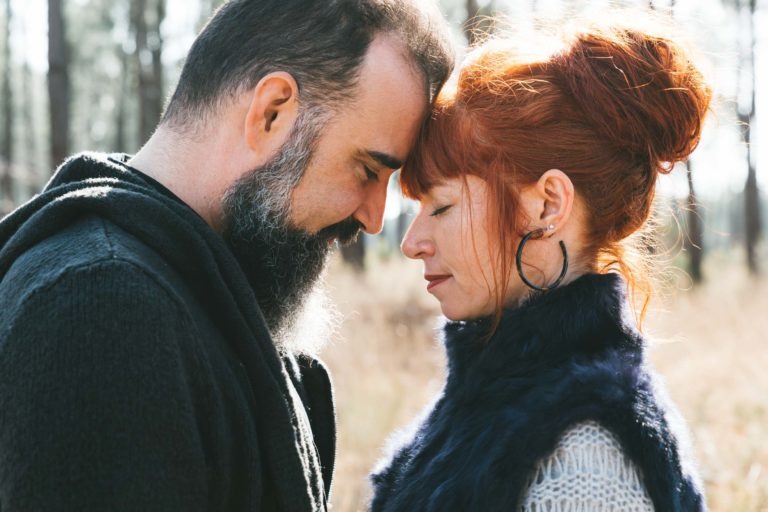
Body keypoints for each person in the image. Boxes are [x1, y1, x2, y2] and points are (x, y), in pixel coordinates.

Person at [0, 1, 453, 510]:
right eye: (368, 170)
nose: (373, 218)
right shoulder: (100, 309)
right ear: (272, 112)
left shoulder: (204, 295)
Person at [370, 16, 711, 512]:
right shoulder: (498, 397)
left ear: (547, 205)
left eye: (441, 207)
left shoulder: (585, 465)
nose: (413, 242)